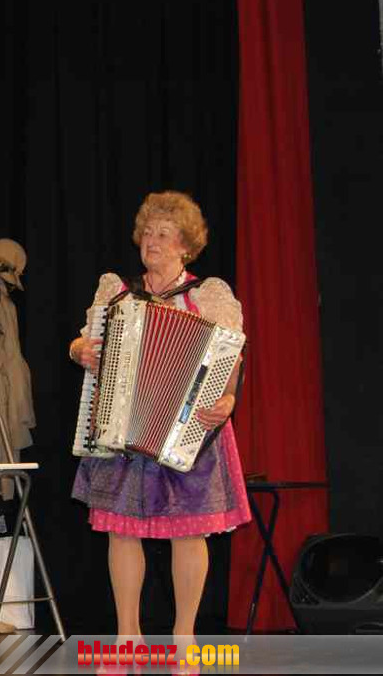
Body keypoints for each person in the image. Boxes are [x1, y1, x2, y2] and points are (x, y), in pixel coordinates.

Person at [68, 191, 251, 648]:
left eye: (164, 234)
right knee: (121, 531)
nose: (151, 241)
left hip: (190, 429)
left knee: (189, 533)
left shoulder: (208, 295)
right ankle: (127, 634)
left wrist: (228, 400)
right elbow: (83, 341)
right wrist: (79, 349)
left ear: (185, 246)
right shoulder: (117, 292)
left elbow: (231, 357)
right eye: (147, 232)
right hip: (121, 426)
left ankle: (184, 635)